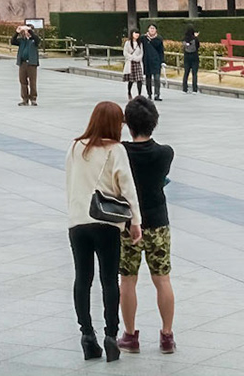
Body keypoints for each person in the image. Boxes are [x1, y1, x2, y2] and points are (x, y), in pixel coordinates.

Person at [65, 100, 142, 361]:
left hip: (78, 222)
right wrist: (135, 222)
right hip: (107, 224)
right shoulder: (116, 150)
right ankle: (111, 336)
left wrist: (75, 212)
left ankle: (87, 335)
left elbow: (69, 182)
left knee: (82, 278)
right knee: (109, 279)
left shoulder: (76, 147)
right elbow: (127, 187)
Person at [118, 96, 176, 355]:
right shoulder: (165, 153)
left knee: (127, 281)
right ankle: (166, 335)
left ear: (127, 124)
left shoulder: (120, 152)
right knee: (162, 279)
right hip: (158, 222)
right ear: (154, 122)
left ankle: (130, 335)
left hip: (129, 224)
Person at [13, 24, 41, 105]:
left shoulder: (34, 40)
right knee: (23, 81)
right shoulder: (22, 40)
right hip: (23, 63)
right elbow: (13, 41)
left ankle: (33, 98)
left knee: (32, 81)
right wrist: (17, 33)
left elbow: (37, 40)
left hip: (32, 63)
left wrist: (30, 30)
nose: (26, 32)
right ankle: (24, 99)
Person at [142, 25, 165, 102]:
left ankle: (157, 94)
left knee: (157, 78)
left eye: (153, 28)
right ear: (148, 29)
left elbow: (161, 51)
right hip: (147, 61)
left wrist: (162, 61)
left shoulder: (159, 39)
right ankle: (149, 94)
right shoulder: (144, 38)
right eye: (150, 28)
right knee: (148, 79)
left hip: (156, 61)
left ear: (156, 30)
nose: (152, 30)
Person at [122, 29, 145, 101]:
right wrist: (132, 58)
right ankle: (129, 92)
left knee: (139, 79)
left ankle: (139, 94)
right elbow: (125, 53)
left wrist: (137, 58)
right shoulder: (128, 43)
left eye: (138, 33)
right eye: (135, 33)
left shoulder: (140, 43)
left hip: (138, 63)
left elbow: (141, 53)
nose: (137, 35)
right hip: (130, 63)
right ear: (132, 34)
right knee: (131, 80)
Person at [180, 27, 200, 94]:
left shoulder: (184, 39)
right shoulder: (195, 39)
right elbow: (198, 46)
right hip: (194, 57)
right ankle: (194, 89)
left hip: (186, 57)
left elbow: (183, 47)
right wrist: (195, 37)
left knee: (186, 73)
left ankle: (184, 89)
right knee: (194, 74)